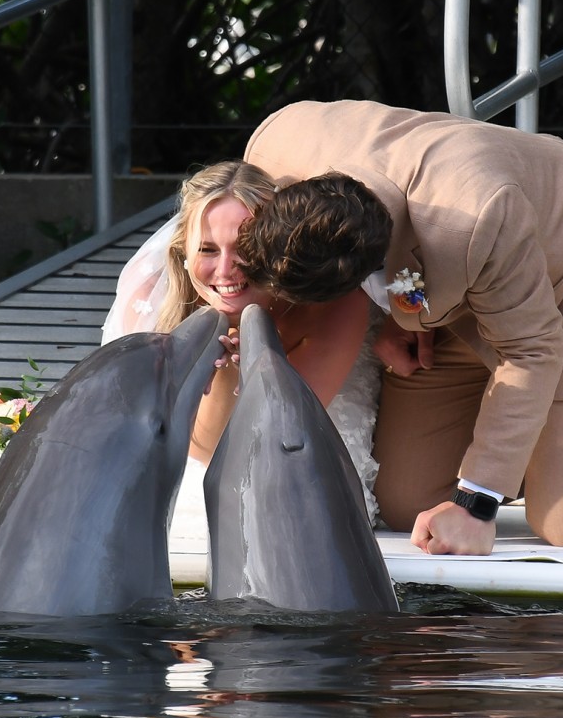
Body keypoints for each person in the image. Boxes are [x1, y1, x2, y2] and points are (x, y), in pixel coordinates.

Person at [234, 99, 563, 556]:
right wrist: (392, 319)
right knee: (406, 501)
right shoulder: (278, 144)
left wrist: (477, 508)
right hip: (463, 295)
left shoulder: (477, 218)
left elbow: (531, 352)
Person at [101, 160, 391, 521]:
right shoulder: (149, 299)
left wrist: (237, 369)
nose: (225, 271)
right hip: (194, 453)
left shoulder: (332, 304)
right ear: (183, 250)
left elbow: (269, 443)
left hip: (295, 450)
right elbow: (171, 443)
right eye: (207, 250)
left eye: (244, 247)